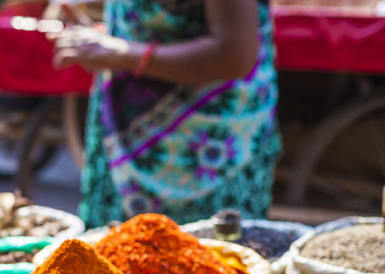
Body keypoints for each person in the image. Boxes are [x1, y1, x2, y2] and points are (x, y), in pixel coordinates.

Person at [53, 0, 281, 227]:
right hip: (123, 140)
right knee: (113, 252)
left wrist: (122, 53)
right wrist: (99, 41)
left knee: (206, 255)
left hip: (205, 150)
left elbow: (233, 54)